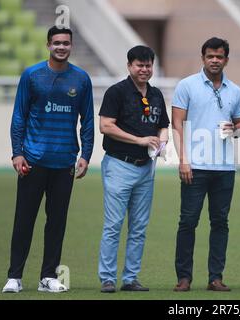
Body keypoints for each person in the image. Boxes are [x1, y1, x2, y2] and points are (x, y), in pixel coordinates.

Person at [3, 26, 94, 293]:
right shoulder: (32, 75)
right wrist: (17, 152)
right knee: (24, 220)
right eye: (56, 43)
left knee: (56, 223)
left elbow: (87, 120)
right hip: (32, 161)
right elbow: (19, 116)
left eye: (66, 43)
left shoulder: (82, 79)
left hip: (64, 162)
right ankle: (14, 277)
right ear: (48, 45)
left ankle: (47, 277)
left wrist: (85, 155)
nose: (61, 47)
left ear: (71, 46)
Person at [172, 37, 240, 292]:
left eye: (220, 56)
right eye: (210, 56)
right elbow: (177, 124)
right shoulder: (186, 85)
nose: (215, 60)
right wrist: (183, 160)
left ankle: (215, 277)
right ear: (203, 58)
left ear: (226, 59)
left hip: (224, 169)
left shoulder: (235, 91)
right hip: (194, 167)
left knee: (220, 223)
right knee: (188, 222)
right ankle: (184, 277)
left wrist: (234, 130)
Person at [98, 45, 169, 293]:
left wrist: (163, 139)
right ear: (129, 66)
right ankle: (107, 278)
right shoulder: (116, 92)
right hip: (119, 165)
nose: (144, 69)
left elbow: (163, 125)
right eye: (139, 64)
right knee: (113, 224)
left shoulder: (157, 94)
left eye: (148, 65)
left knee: (139, 227)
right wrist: (139, 140)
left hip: (146, 169)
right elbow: (105, 126)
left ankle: (130, 278)